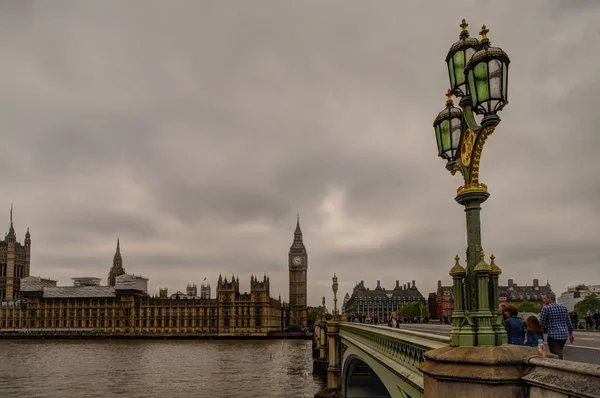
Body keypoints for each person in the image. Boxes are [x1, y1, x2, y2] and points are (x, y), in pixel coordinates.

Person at [539, 292, 574, 359]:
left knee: (555, 353)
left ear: (549, 299)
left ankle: (560, 364)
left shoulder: (546, 308)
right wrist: (571, 334)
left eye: (545, 298)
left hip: (553, 335)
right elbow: (568, 321)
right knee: (559, 349)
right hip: (563, 335)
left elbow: (541, 323)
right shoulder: (563, 307)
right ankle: (559, 361)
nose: (543, 300)